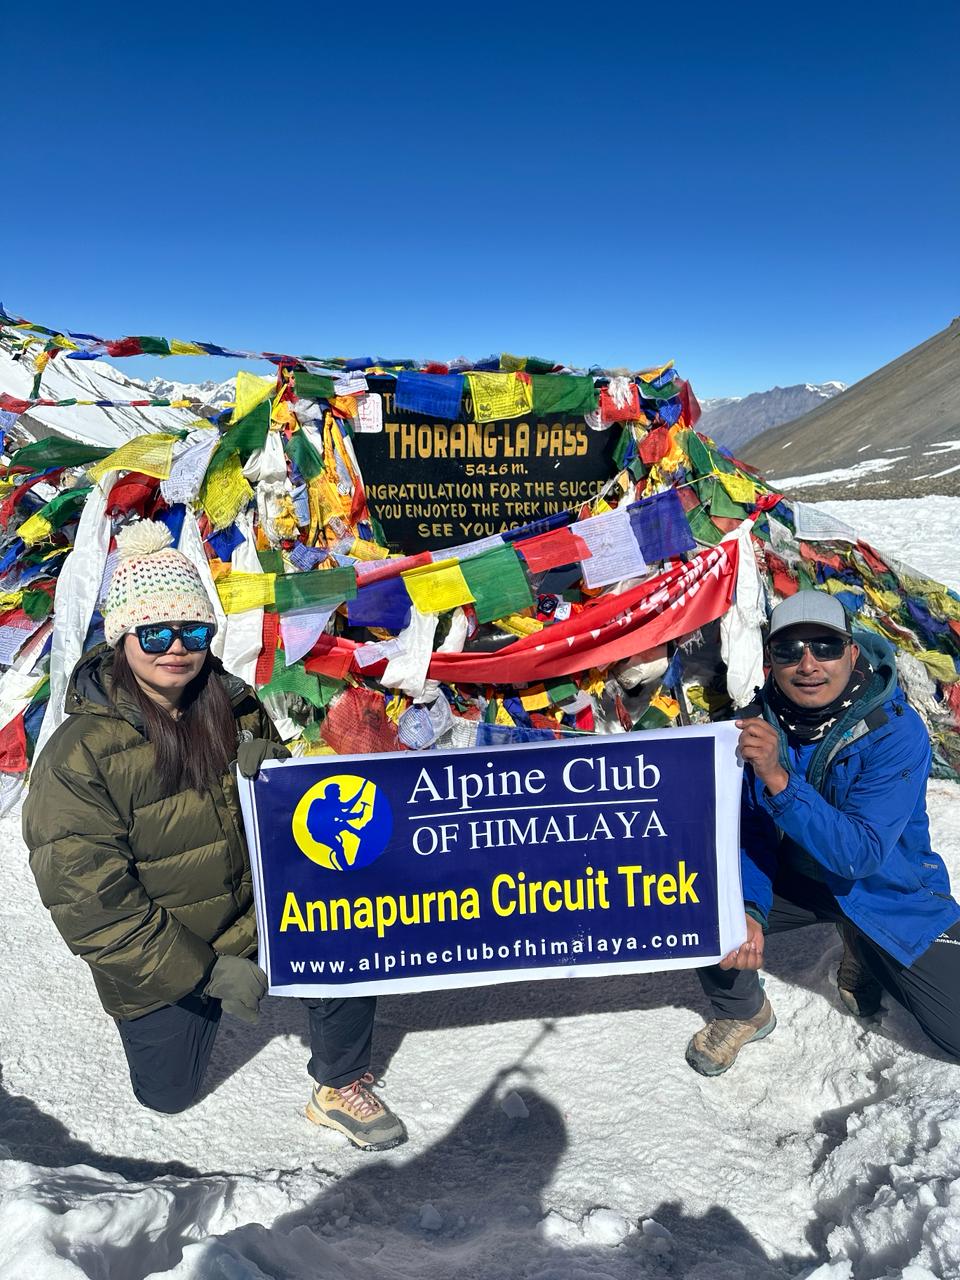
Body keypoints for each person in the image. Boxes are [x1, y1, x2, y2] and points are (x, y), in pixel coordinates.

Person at [23, 518, 405, 1151]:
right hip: (164, 937)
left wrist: (283, 779)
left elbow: (295, 822)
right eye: (155, 632)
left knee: (349, 924)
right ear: (122, 640)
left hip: (257, 909)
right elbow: (93, 909)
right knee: (167, 1096)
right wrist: (204, 973)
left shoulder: (234, 705)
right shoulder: (78, 755)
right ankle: (192, 1001)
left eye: (192, 630)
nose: (176, 646)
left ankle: (340, 1083)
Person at [686, 589, 960, 1076]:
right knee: (701, 901)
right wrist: (745, 906)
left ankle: (865, 941)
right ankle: (743, 1011)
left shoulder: (895, 731)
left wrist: (779, 778)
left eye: (825, 647)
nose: (808, 664)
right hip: (795, 877)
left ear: (852, 653)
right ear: (771, 661)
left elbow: (862, 853)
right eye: (789, 650)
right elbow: (745, 830)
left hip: (881, 887)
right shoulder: (751, 726)